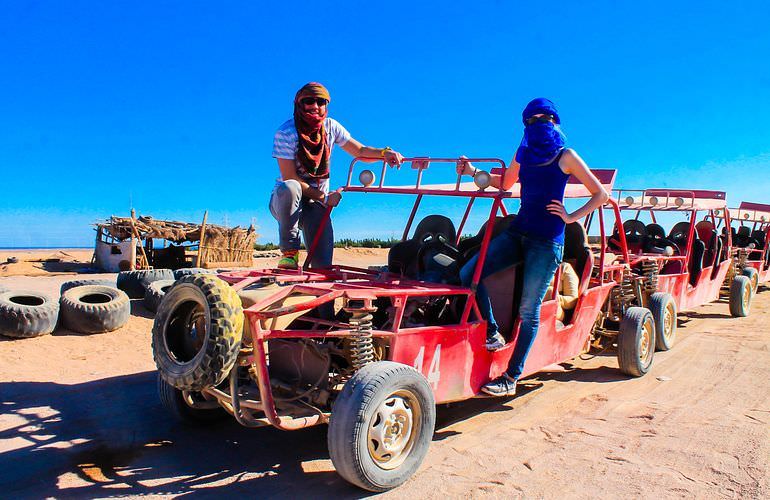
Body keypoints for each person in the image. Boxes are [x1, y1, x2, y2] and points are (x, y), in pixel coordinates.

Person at [457, 97, 609, 397]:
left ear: (554, 121)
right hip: (519, 233)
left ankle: (511, 377)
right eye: (532, 119)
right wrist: (473, 170)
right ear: (526, 124)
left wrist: (569, 217)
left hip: (547, 242)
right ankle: (492, 332)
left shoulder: (566, 156)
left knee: (529, 310)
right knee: (469, 274)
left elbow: (600, 194)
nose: (538, 123)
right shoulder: (523, 153)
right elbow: (504, 183)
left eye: (544, 118)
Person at [271, 82, 404, 270]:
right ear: (299, 104)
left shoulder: (330, 127)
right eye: (309, 101)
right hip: (287, 203)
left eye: (321, 101)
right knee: (290, 187)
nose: (315, 106)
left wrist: (384, 153)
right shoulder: (286, 133)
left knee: (322, 268)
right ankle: (289, 254)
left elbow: (359, 151)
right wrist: (325, 196)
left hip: (316, 204)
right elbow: (289, 176)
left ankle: (320, 297)